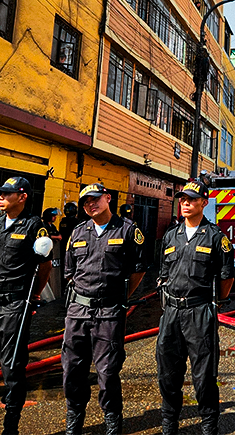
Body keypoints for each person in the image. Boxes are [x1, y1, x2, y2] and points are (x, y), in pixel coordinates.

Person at [0, 177, 53, 435]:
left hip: (13, 307)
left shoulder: (34, 227)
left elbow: (45, 265)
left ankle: (10, 427)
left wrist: (35, 295)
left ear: (23, 196)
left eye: (6, 193)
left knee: (12, 368)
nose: (0, 198)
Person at [62, 183, 146, 435]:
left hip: (109, 312)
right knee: (72, 369)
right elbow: (69, 272)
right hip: (78, 311)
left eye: (95, 199)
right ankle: (74, 419)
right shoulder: (77, 232)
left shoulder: (128, 230)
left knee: (107, 371)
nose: (90, 204)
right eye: (86, 201)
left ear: (108, 198)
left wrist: (121, 298)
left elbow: (139, 270)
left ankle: (112, 420)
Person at [157, 181, 234, 435]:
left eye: (191, 199)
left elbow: (226, 277)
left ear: (204, 202)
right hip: (171, 314)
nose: (185, 203)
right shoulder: (171, 235)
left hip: (200, 312)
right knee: (168, 374)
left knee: (203, 376)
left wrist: (213, 305)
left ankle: (209, 426)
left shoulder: (216, 237)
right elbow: (163, 273)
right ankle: (169, 424)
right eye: (182, 199)